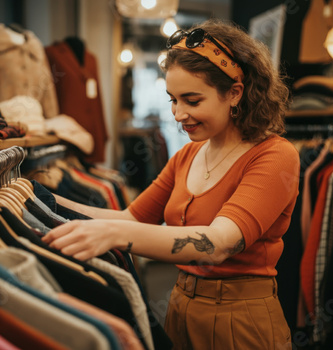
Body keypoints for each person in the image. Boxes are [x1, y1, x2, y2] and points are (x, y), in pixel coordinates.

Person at [42, 18, 299, 350]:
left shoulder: (275, 155)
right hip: (178, 307)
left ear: (234, 93)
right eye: (173, 100)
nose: (178, 114)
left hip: (240, 319)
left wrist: (116, 236)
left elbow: (220, 243)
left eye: (192, 101)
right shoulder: (187, 156)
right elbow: (133, 218)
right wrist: (45, 200)